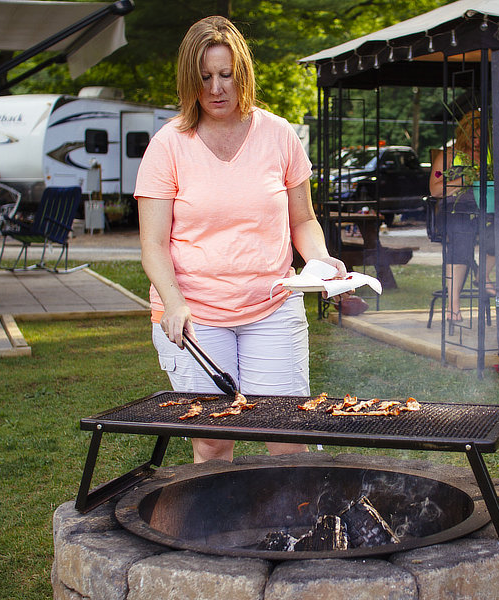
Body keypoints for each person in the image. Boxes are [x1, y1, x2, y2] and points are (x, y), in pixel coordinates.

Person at [134, 16, 347, 463]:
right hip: (195, 317)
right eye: (205, 77)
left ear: (242, 74)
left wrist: (321, 260)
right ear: (190, 80)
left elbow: (303, 220)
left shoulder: (279, 135)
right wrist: (173, 303)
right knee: (213, 439)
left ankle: (296, 525)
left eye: (225, 75)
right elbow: (153, 245)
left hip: (271, 306)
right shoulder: (168, 145)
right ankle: (215, 531)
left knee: (286, 433)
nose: (216, 88)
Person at [428, 110, 499, 326]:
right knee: (461, 235)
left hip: (486, 209)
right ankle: (453, 306)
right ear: (464, 135)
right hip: (456, 210)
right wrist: (467, 179)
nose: (478, 142)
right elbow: (434, 190)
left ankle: (482, 275)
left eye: (483, 137)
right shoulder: (450, 156)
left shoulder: (494, 157)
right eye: (474, 137)